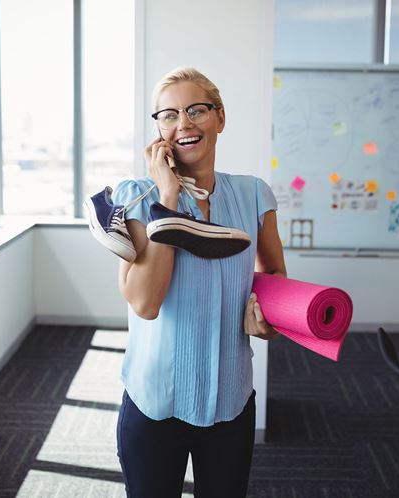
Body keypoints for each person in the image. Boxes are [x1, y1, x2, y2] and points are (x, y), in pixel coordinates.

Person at [112, 66, 287, 498]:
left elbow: (274, 276)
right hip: (154, 403)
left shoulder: (253, 195)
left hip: (230, 400)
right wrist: (167, 196)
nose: (183, 124)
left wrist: (268, 317)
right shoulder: (136, 196)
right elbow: (145, 303)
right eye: (168, 115)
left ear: (220, 118)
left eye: (196, 110)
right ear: (158, 131)